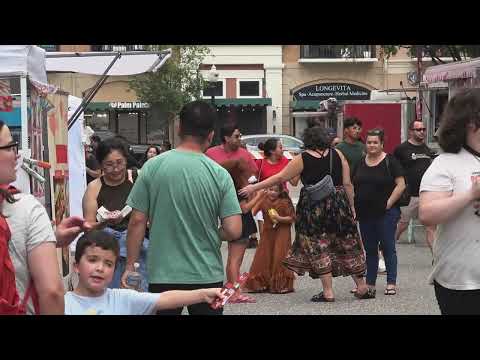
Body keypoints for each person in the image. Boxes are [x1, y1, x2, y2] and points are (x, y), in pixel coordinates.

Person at [121, 101, 242, 315]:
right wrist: (213, 233)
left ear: (179, 129)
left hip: (163, 275)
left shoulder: (152, 167)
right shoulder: (219, 174)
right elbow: (234, 230)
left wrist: (131, 266)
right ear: (211, 135)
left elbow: (137, 221)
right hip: (207, 274)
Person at [240, 126, 370, 302]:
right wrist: (352, 206)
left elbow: (280, 178)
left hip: (313, 207)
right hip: (339, 204)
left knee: (318, 245)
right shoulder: (337, 154)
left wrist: (253, 187)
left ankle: (328, 292)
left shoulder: (303, 158)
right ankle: (362, 286)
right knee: (347, 242)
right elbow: (347, 183)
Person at [0, 120, 88, 314]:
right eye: (9, 147)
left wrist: (49, 238)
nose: (17, 155)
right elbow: (52, 292)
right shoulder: (25, 208)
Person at [419, 88, 480, 315]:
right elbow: (427, 214)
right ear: (471, 122)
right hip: (461, 281)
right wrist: (469, 196)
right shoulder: (446, 164)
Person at [65, 230, 223, 315]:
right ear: (76, 266)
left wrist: (203, 294)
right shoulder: (61, 304)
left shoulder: (122, 298)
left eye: (108, 264)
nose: (100, 268)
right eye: (92, 260)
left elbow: (164, 298)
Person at [82, 137, 149, 291]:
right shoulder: (94, 187)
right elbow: (88, 226)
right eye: (109, 165)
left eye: (119, 163)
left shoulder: (137, 179)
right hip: (106, 249)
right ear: (101, 165)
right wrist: (104, 223)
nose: (116, 169)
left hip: (139, 248)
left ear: (126, 160)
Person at [352, 128, 406, 296]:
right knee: (369, 249)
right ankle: (370, 283)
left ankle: (391, 282)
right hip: (365, 213)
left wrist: (389, 203)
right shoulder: (360, 162)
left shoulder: (391, 161)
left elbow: (401, 184)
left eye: (375, 142)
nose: (372, 145)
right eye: (369, 142)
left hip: (386, 213)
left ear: (382, 144)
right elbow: (353, 185)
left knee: (388, 247)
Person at [220, 158, 264, 303]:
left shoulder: (229, 186)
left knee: (233, 261)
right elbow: (244, 208)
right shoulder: (240, 188)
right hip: (242, 225)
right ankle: (235, 293)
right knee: (235, 261)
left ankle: (232, 290)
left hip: (235, 224)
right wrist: (258, 195)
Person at [393, 120, 436, 252]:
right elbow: (394, 169)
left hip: (425, 194)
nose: (422, 132)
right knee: (402, 224)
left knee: (430, 226)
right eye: (418, 129)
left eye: (423, 129)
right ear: (411, 131)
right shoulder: (401, 149)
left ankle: (436, 257)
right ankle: (384, 250)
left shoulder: (427, 149)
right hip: (409, 195)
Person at [249, 138, 300, 249]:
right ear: (272, 151)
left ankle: (280, 257)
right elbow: (251, 180)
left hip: (282, 201)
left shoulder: (286, 161)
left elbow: (294, 183)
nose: (283, 149)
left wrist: (299, 168)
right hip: (265, 202)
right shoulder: (260, 163)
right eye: (280, 147)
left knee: (282, 233)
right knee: (266, 236)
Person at [246, 184, 296, 294]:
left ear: (280, 192)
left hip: (282, 231)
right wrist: (258, 197)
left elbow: (292, 218)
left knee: (279, 256)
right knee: (264, 256)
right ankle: (262, 282)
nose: (272, 192)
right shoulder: (264, 200)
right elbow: (253, 211)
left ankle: (281, 284)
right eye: (269, 190)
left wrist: (279, 218)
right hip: (268, 231)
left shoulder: (284, 201)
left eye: (275, 191)